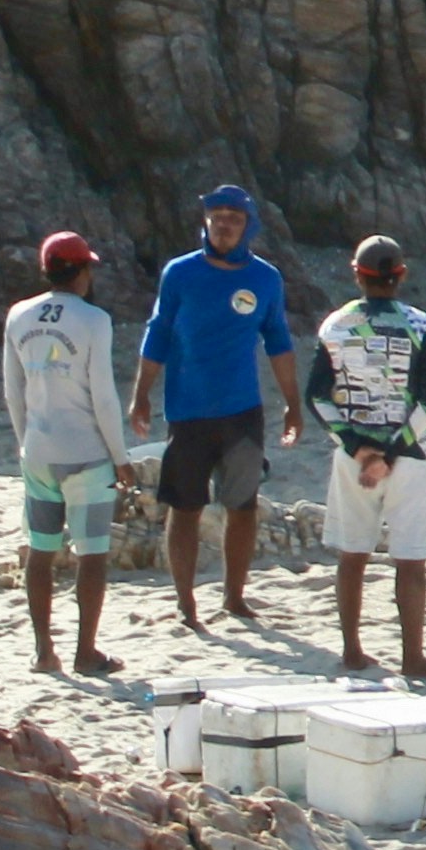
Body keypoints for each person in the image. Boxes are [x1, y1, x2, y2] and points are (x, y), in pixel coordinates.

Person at [127, 186, 299, 631]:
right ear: (205, 220)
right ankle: (186, 604)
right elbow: (159, 332)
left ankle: (235, 598)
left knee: (242, 505)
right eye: (216, 215)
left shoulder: (265, 278)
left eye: (233, 217)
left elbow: (278, 341)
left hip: (242, 411)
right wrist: (141, 393)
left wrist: (293, 404)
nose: (223, 224)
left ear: (248, 225)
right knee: (184, 507)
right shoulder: (179, 274)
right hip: (187, 412)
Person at [305, 234, 426, 679]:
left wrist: (357, 447)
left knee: (353, 554)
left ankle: (351, 650)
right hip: (410, 456)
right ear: (400, 275)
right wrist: (390, 451)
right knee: (410, 559)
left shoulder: (335, 326)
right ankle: (413, 657)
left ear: (357, 274)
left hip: (354, 458)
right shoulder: (422, 326)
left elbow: (317, 398)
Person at [4, 231, 132, 678]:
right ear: (80, 271)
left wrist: (27, 442)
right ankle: (85, 651)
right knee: (91, 553)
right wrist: (121, 456)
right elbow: (104, 397)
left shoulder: (19, 316)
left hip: (38, 450)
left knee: (41, 551)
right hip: (87, 454)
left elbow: (13, 391)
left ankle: (43, 651)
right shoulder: (95, 320)